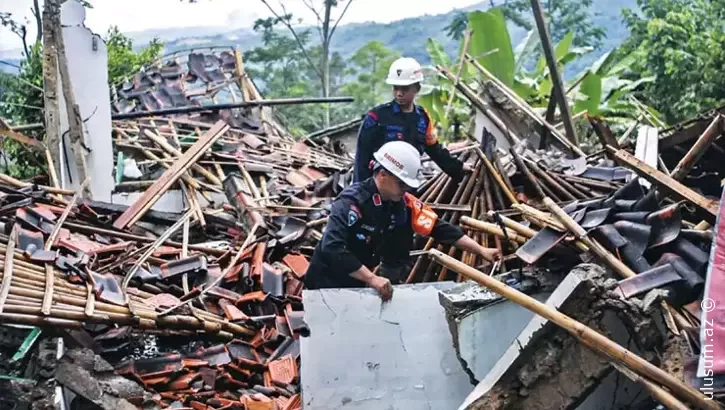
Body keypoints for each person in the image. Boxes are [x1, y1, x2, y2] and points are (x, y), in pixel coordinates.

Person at [305, 140, 500, 301]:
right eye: (401, 183)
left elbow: (439, 228)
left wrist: (482, 250)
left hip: (358, 282)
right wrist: (372, 278)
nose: (406, 188)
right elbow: (332, 247)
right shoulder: (351, 202)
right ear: (382, 175)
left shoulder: (403, 203)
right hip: (326, 282)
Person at [353, 57, 472, 184]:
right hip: (379, 187)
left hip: (407, 186)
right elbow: (362, 159)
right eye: (396, 88)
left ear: (417, 89)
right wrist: (360, 192)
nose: (399, 93)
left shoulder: (423, 118)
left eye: (404, 88)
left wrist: (459, 167)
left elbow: (435, 151)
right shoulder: (376, 118)